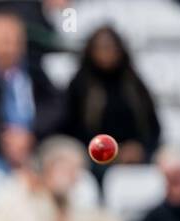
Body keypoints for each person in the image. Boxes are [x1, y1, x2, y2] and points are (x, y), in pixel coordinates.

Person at [0, 135, 124, 221]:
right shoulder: (18, 192)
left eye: (76, 171)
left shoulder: (70, 201)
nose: (75, 179)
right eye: (68, 170)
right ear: (48, 167)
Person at [0, 11, 64, 172]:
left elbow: (55, 108)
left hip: (35, 146)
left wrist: (31, 133)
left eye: (16, 41)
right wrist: (4, 136)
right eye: (4, 41)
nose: (10, 47)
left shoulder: (35, 73)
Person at [62, 26, 161, 175]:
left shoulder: (133, 83)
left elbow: (153, 128)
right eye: (100, 47)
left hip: (137, 157)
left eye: (110, 47)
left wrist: (140, 149)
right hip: (94, 160)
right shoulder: (80, 84)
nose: (106, 53)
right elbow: (72, 130)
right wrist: (111, 152)